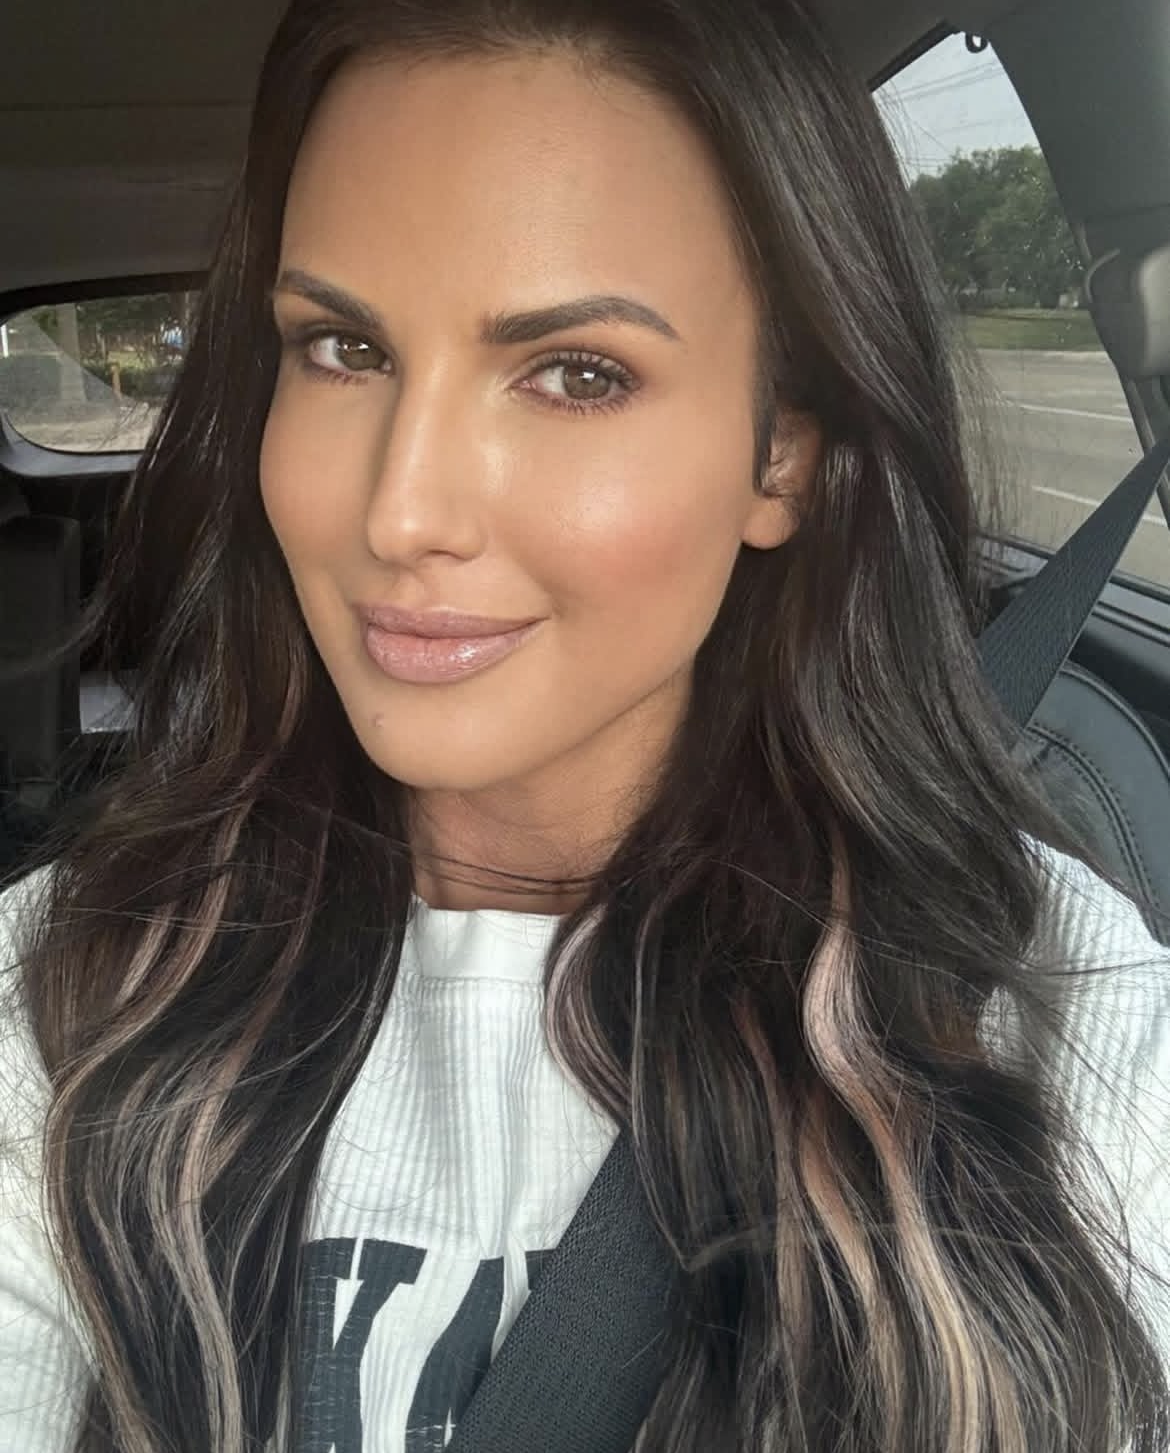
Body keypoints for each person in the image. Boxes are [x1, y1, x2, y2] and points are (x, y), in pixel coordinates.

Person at [1, 0, 1167, 1449]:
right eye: (340, 348)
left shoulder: (1062, 1023)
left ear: (781, 453)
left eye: (576, 373)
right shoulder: (65, 997)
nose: (400, 511)